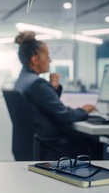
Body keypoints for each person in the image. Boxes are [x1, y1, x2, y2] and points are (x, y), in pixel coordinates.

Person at [13, 31, 102, 160]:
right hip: (50, 146)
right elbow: (66, 115)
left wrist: (52, 89)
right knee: (96, 146)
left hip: (33, 145)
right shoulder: (37, 84)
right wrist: (85, 109)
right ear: (35, 59)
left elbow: (43, 109)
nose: (50, 60)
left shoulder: (22, 81)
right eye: (47, 55)